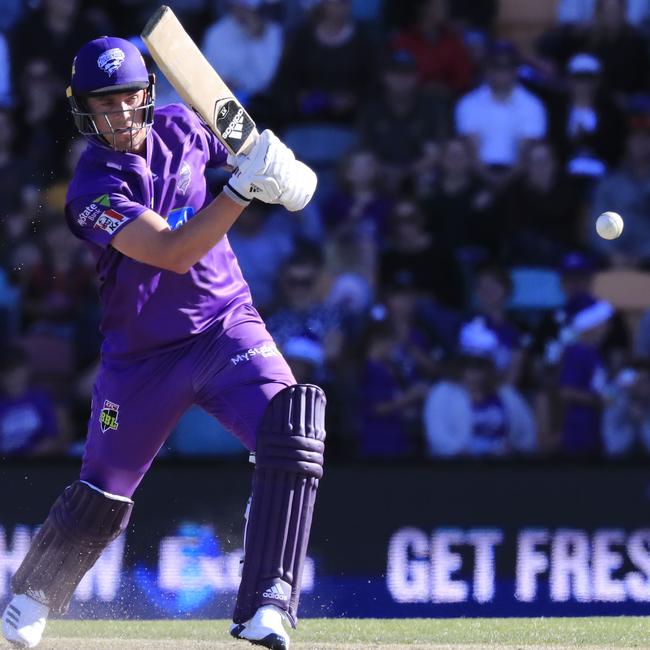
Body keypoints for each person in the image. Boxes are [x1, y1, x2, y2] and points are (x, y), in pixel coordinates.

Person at [1, 36, 323, 650]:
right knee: (103, 488)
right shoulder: (90, 190)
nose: (119, 115)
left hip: (226, 325)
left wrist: (277, 171)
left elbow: (241, 147)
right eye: (104, 104)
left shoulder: (184, 127)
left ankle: (269, 604)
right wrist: (242, 191)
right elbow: (172, 253)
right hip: (143, 357)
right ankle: (36, 590)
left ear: (148, 95)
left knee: (293, 430)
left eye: (127, 98)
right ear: (84, 111)